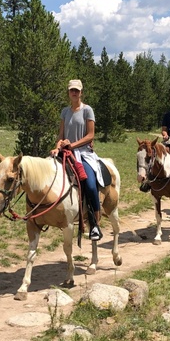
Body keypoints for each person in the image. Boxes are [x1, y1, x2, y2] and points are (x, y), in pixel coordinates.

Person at [50, 79, 103, 241]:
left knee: (91, 185)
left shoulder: (88, 110)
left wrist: (71, 145)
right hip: (66, 152)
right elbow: (61, 135)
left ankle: (94, 224)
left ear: (81, 92)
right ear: (68, 92)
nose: (74, 93)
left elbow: (90, 135)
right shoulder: (65, 112)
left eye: (77, 90)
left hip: (83, 153)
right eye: (71, 90)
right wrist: (57, 147)